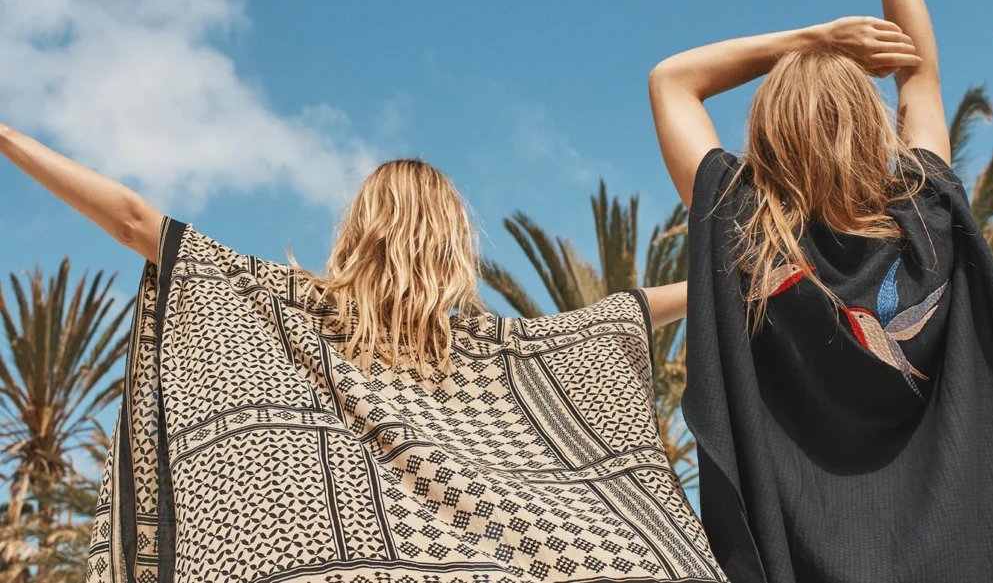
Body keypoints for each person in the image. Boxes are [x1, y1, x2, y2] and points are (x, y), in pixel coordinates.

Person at [0, 122, 722, 582]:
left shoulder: (282, 303)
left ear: (359, 227)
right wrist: (728, 278)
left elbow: (136, 221)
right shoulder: (497, 350)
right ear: (453, 241)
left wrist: (6, 136)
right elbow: (624, 311)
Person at [650, 0, 993, 582]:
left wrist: (812, 38)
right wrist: (843, 46)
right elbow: (919, 76)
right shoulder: (930, 216)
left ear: (770, 131)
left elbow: (672, 80)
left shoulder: (743, 228)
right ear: (872, 123)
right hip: (971, 556)